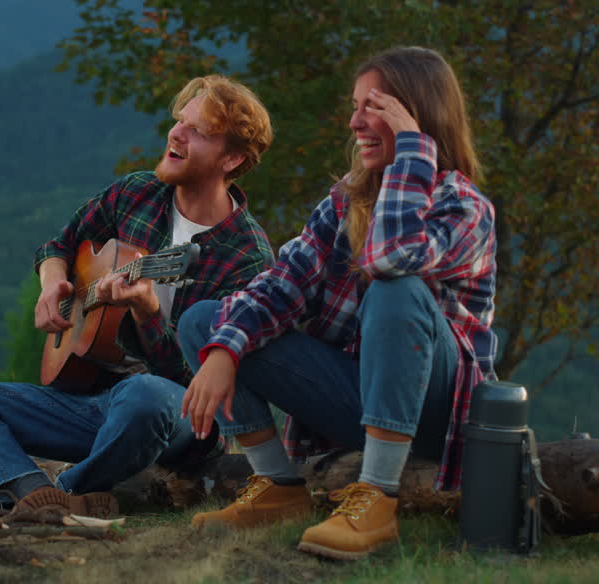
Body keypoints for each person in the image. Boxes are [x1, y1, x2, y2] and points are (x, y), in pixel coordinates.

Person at [178, 46, 497, 560]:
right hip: (357, 400)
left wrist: (412, 155)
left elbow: (393, 259)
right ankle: (279, 487)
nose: (355, 122)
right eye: (355, 107)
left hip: (434, 414)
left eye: (375, 108)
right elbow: (280, 284)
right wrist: (224, 353)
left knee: (396, 287)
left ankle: (377, 496)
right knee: (206, 321)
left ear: (418, 115)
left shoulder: (465, 207)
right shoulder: (344, 203)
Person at [0, 74, 274, 517]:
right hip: (89, 402)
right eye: (179, 121)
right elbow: (58, 246)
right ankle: (29, 494)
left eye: (198, 131)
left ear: (233, 158)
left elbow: (203, 386)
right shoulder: (137, 193)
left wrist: (148, 312)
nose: (176, 133)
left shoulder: (247, 259)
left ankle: (67, 491)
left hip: (174, 417)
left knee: (144, 393)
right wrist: (53, 284)